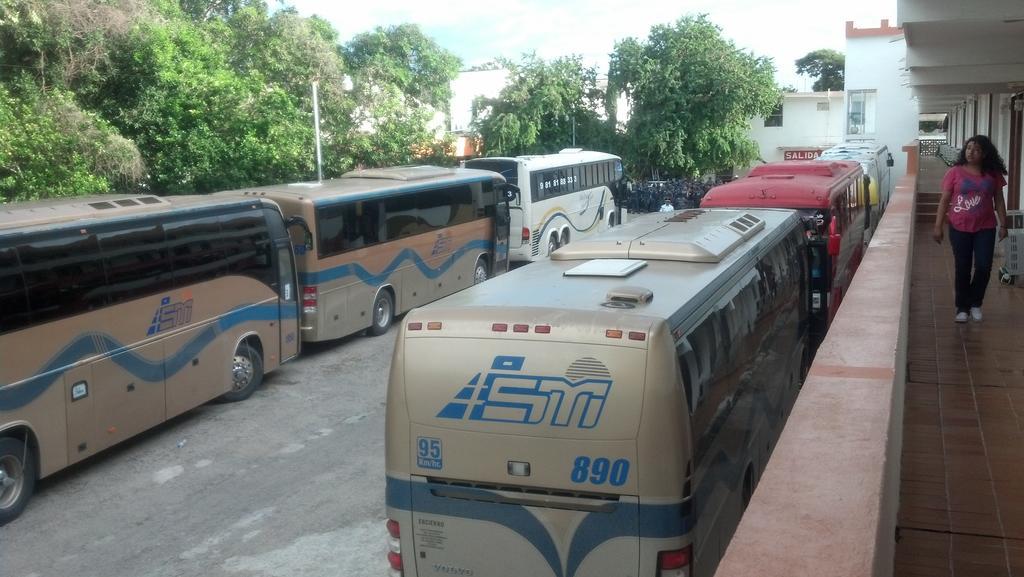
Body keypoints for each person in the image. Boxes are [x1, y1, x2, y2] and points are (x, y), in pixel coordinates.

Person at [932, 134, 1008, 323]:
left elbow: (999, 199)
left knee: (983, 266)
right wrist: (938, 225)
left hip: (986, 226)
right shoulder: (955, 172)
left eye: (976, 149)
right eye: (968, 148)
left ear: (984, 153)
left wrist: (1004, 224)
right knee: (963, 268)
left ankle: (975, 303)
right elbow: (945, 200)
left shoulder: (993, 174)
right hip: (959, 226)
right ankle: (962, 308)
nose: (971, 152)